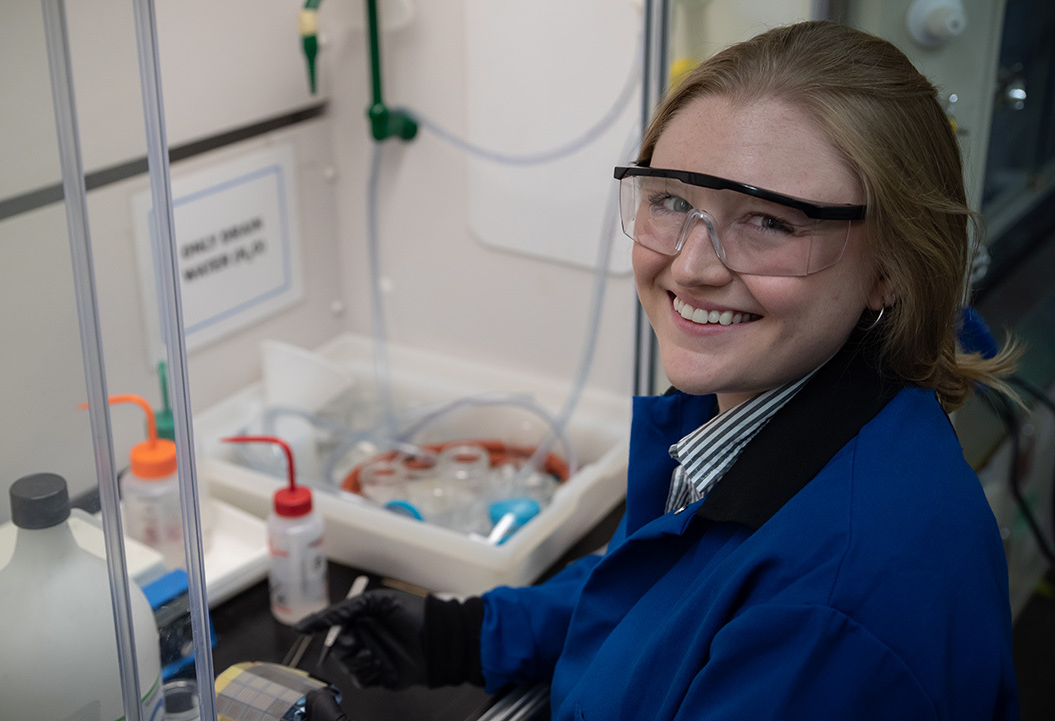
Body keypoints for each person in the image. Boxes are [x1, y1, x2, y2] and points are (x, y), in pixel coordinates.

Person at [296, 20, 1021, 720]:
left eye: (769, 221)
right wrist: (461, 634)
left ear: (891, 267)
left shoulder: (833, 614)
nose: (692, 266)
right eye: (673, 201)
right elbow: (673, 584)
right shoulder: (786, 411)